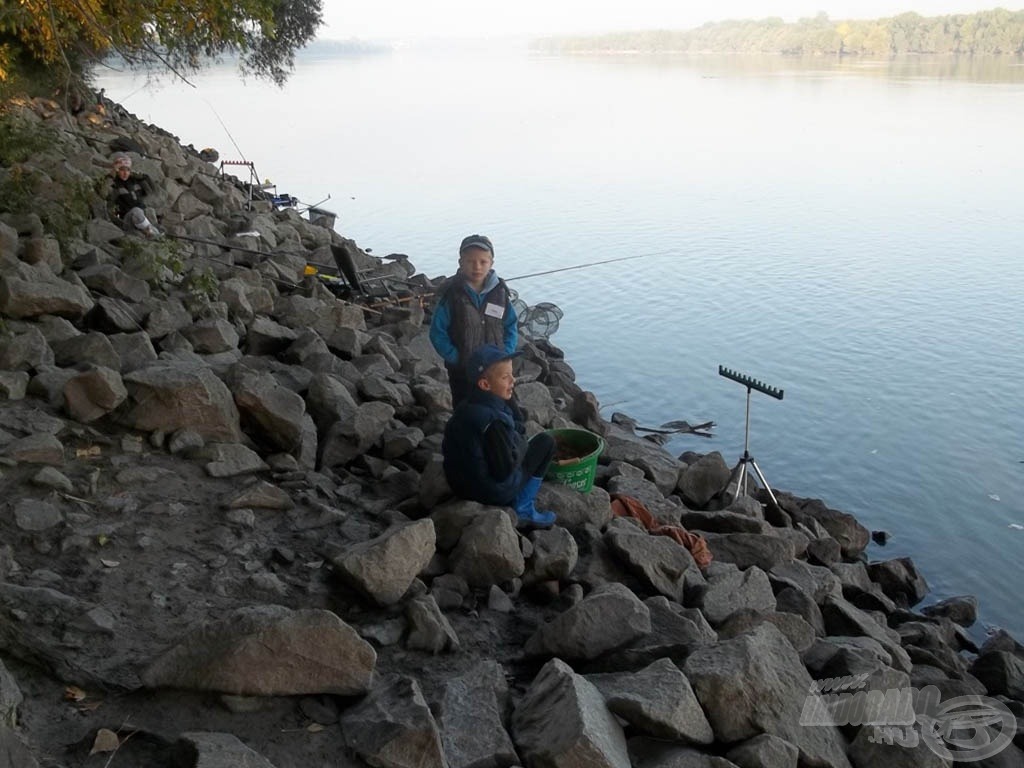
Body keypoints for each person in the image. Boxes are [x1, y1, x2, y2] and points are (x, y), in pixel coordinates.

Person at [442, 344, 556, 528]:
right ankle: (523, 509)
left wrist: (515, 426)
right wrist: (521, 443)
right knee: (546, 443)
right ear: (485, 384)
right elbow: (504, 470)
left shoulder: (467, 405)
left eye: (512, 374)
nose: (513, 380)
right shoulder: (493, 423)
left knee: (519, 437)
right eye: (505, 377)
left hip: (459, 485)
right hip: (490, 492)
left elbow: (513, 422)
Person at [429, 234, 517, 405]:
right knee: (465, 407)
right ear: (461, 263)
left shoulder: (500, 292)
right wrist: (456, 357)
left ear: (491, 263)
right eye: (470, 262)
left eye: (483, 262)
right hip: (463, 370)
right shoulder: (451, 294)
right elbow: (437, 332)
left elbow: (511, 326)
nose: (477, 267)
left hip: (496, 367)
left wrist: (505, 354)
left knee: (504, 407)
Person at [107, 154, 161, 238]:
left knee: (143, 215)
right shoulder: (114, 183)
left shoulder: (135, 181)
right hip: (126, 219)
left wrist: (143, 177)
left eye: (127, 170)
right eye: (122, 170)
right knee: (136, 211)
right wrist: (111, 175)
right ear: (117, 170)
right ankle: (150, 232)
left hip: (141, 216)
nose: (125, 173)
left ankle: (150, 232)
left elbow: (152, 190)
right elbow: (103, 194)